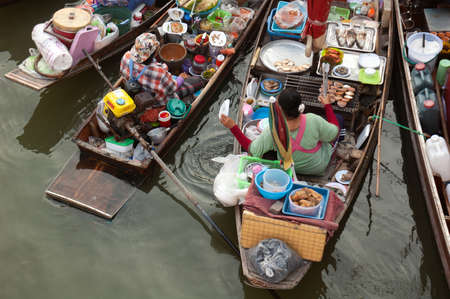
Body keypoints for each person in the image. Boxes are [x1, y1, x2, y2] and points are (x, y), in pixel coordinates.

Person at [220, 88, 340, 175]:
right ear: (299, 105)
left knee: (268, 150)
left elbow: (251, 149)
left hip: (289, 169)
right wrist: (327, 106)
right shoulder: (313, 120)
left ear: (280, 108)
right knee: (338, 120)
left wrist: (233, 127)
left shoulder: (273, 131)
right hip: (318, 167)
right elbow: (334, 135)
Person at [119, 33, 184, 104]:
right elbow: (172, 88)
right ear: (154, 53)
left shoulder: (126, 56)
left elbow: (122, 73)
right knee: (193, 81)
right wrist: (181, 78)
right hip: (155, 103)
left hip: (134, 93)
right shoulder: (159, 72)